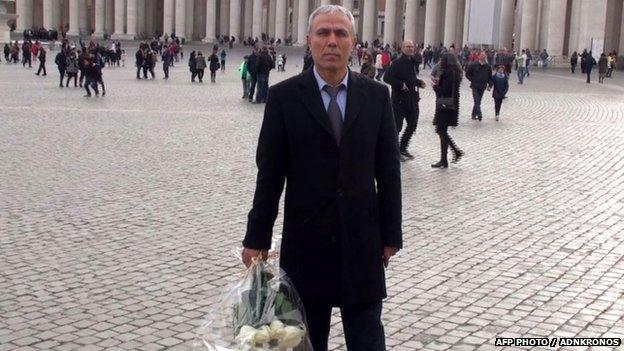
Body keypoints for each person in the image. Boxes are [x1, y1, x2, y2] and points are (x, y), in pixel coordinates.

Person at [242, 5, 401, 351]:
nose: (332, 41)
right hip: (306, 241)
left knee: (368, 340)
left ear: (354, 42)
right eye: (323, 33)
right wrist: (257, 238)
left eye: (340, 33)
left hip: (362, 241)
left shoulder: (377, 96)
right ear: (309, 41)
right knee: (306, 341)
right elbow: (269, 175)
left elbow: (388, 172)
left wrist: (391, 235)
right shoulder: (284, 97)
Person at [383, 40, 426, 161]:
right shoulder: (397, 63)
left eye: (412, 46)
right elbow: (387, 77)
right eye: (408, 47)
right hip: (399, 101)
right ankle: (394, 152)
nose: (410, 49)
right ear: (402, 48)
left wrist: (419, 82)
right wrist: (400, 85)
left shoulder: (411, 62)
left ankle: (403, 147)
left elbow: (410, 78)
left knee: (413, 124)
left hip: (411, 100)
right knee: (397, 127)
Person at [432, 52, 464, 168]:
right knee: (441, 130)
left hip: (444, 104)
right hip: (452, 104)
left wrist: (435, 86)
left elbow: (443, 90)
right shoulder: (457, 72)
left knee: (441, 130)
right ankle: (451, 154)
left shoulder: (447, 73)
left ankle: (448, 157)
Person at [465, 51, 492, 121]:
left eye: (484, 55)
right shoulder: (473, 64)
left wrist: (490, 85)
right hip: (475, 85)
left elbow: (490, 77)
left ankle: (473, 115)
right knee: (476, 100)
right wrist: (472, 80)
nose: (483, 56)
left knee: (478, 101)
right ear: (479, 56)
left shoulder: (488, 66)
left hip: (483, 86)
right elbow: (467, 74)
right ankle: (479, 114)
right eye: (482, 55)